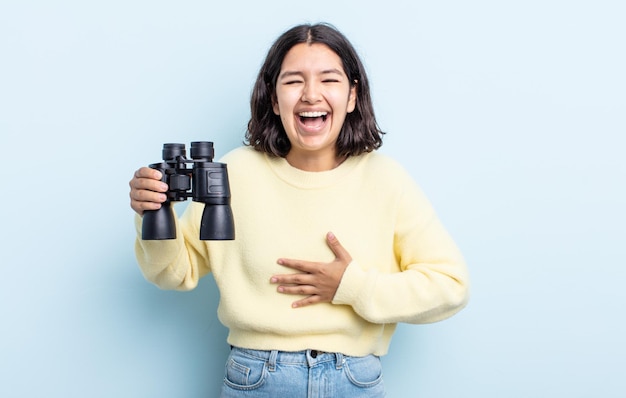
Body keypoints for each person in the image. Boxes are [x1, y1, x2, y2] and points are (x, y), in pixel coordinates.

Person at [129, 22, 469, 398]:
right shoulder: (237, 171)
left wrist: (352, 287)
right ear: (274, 99)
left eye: (329, 80)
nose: (311, 95)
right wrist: (151, 214)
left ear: (352, 96)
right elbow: (175, 273)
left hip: (354, 379)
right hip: (256, 377)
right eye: (293, 82)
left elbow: (450, 286)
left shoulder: (385, 179)